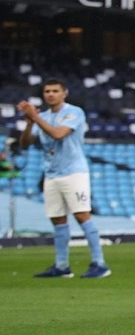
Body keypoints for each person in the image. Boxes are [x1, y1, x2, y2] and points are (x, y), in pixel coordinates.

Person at [17, 78, 112, 279]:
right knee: (57, 218)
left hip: (74, 172)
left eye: (55, 91)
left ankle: (100, 263)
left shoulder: (74, 112)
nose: (51, 94)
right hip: (51, 173)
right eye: (47, 91)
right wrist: (29, 123)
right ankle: (62, 266)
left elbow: (58, 134)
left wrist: (35, 117)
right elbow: (24, 144)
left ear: (64, 93)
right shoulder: (42, 117)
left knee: (81, 215)